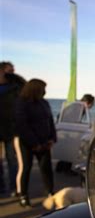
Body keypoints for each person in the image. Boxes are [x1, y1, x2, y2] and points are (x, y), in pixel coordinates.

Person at [15, 79, 56, 207]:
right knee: (26, 168)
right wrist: (34, 143)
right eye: (43, 88)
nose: (45, 91)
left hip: (44, 142)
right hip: (27, 143)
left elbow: (50, 122)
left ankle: (50, 192)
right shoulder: (22, 103)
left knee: (46, 168)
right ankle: (23, 195)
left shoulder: (44, 103)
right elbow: (22, 125)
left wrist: (52, 138)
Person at [0, 61, 26, 197]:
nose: (13, 73)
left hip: (11, 129)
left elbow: (26, 88)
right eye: (10, 70)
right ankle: (1, 187)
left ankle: (14, 187)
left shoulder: (16, 86)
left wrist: (16, 78)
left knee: (12, 159)